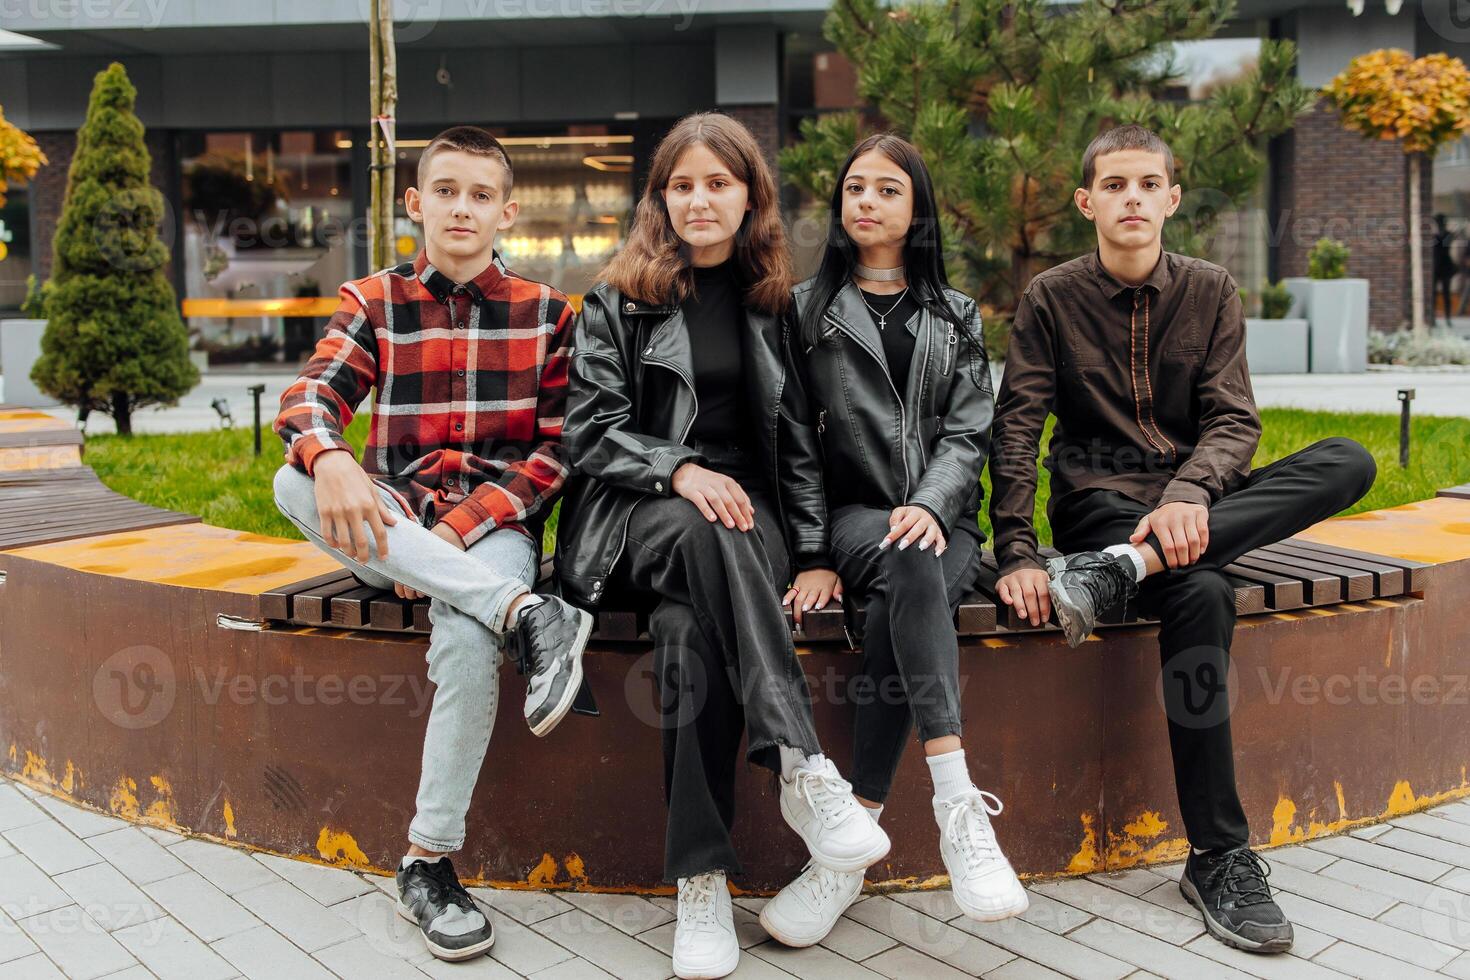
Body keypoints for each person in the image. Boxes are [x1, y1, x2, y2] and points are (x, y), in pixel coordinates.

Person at [988, 124, 1377, 955]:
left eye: (1148, 184)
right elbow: (1016, 431)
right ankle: (1219, 853)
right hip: (1099, 509)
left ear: (1171, 197)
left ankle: (1124, 571)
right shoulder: (1051, 299)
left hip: (1202, 506)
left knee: (1349, 459)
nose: (1133, 198)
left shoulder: (1211, 288)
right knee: (1199, 592)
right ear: (1087, 201)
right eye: (1115, 184)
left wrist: (1192, 494)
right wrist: (1018, 550)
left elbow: (1234, 419)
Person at [554, 111, 891, 980]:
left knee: (685, 637)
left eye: (718, 183)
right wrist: (677, 469)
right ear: (660, 199)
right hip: (638, 519)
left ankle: (700, 882)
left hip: (753, 529)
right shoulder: (616, 305)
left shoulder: (778, 306)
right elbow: (590, 434)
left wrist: (815, 552)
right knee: (711, 522)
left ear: (750, 198)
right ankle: (801, 765)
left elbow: (804, 449)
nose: (699, 200)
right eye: (682, 184)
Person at [272, 126, 592, 963]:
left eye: (480, 194)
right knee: (289, 479)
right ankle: (529, 615)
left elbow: (555, 454)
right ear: (416, 202)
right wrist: (332, 454)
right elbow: (310, 393)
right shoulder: (372, 302)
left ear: (507, 211)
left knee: (462, 633)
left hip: (490, 529)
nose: (462, 208)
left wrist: (438, 543)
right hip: (389, 514)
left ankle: (427, 862)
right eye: (446, 190)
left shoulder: (550, 315)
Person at [759, 133, 1027, 947]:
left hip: (940, 523)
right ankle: (956, 800)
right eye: (854, 189)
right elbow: (796, 447)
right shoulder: (805, 310)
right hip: (853, 518)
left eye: (886, 190)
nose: (866, 201)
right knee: (907, 563)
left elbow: (970, 430)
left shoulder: (956, 314)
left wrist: (936, 503)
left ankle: (847, 853)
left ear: (916, 211)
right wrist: (811, 553)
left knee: (909, 587)